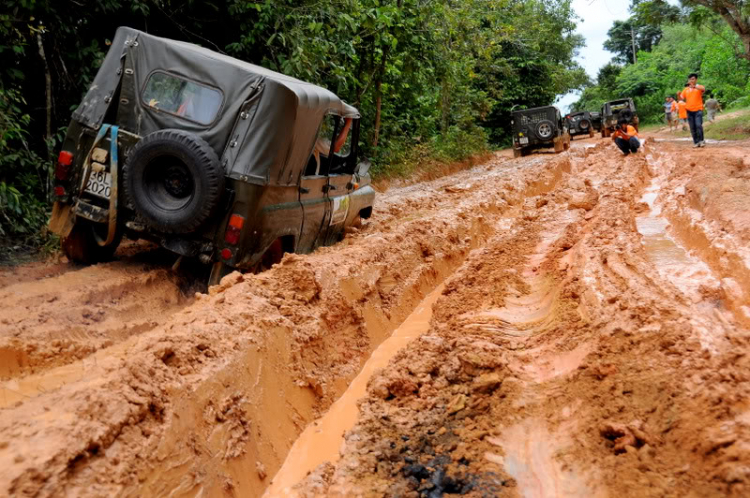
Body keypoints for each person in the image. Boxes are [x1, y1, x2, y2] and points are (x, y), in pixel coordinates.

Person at [679, 73, 706, 147]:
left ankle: (701, 140)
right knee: (692, 127)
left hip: (698, 110)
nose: (691, 80)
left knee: (698, 125)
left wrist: (694, 86)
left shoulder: (699, 87)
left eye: (693, 79)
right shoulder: (685, 90)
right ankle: (696, 142)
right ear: (688, 80)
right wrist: (679, 95)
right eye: (690, 79)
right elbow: (681, 98)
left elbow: (703, 89)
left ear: (696, 80)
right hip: (689, 111)